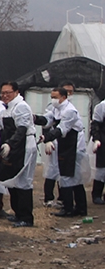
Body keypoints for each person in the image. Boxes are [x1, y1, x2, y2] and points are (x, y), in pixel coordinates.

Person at [0, 81, 38, 227]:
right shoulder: (7, 108)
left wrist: (10, 144)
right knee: (13, 179)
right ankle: (18, 213)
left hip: (24, 145)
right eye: (3, 93)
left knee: (23, 181)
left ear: (16, 92)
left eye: (8, 93)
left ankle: (26, 217)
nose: (5, 95)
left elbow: (22, 129)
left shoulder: (21, 107)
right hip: (15, 145)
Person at [44, 83, 87, 217]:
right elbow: (47, 120)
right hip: (65, 145)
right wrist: (34, 118)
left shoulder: (69, 111)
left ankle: (69, 208)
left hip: (73, 146)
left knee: (69, 177)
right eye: (51, 97)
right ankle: (79, 208)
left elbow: (62, 128)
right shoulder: (56, 109)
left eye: (55, 97)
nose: (53, 100)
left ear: (63, 97)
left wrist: (45, 138)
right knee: (71, 178)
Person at [91, 98, 105, 205]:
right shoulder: (102, 106)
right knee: (101, 168)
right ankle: (96, 194)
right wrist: (96, 139)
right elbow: (95, 124)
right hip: (103, 141)